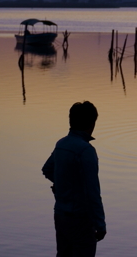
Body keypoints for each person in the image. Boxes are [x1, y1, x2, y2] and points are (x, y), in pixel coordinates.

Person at [42, 101, 106, 257]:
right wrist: (100, 223)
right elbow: (92, 191)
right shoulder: (86, 151)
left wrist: (63, 184)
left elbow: (47, 169)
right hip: (81, 219)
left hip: (61, 215)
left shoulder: (61, 144)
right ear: (92, 123)